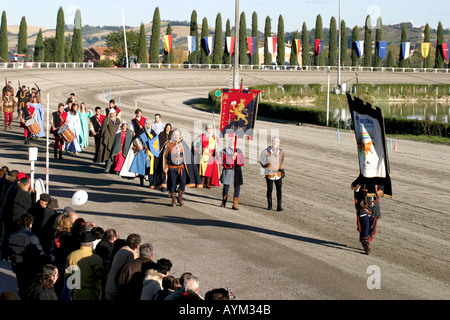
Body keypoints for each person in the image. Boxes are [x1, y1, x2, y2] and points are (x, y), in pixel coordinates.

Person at [8, 213, 54, 298]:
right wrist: (51, 257)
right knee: (28, 290)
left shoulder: (12, 235)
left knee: (21, 287)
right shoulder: (32, 237)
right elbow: (40, 253)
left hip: (17, 266)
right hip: (29, 267)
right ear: (30, 223)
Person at [162, 129, 202, 207]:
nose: (176, 136)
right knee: (173, 184)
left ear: (180, 136)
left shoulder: (183, 144)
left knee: (183, 182)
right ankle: (173, 199)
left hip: (181, 168)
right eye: (174, 135)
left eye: (177, 135)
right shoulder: (168, 144)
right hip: (172, 168)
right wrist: (165, 167)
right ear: (172, 135)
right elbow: (165, 157)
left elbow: (188, 156)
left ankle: (180, 198)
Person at [65, 231, 105, 300]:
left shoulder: (71, 255)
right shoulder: (96, 258)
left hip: (76, 292)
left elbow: (68, 274)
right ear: (91, 244)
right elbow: (101, 276)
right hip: (92, 293)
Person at [352, 177, 385, 255]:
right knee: (365, 225)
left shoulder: (378, 181)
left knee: (371, 228)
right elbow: (355, 187)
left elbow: (382, 191)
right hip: (364, 206)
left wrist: (378, 192)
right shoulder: (361, 179)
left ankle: (365, 237)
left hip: (374, 207)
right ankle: (366, 244)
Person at [104, 233, 141, 300]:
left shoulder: (121, 250)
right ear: (138, 246)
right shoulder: (131, 254)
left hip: (109, 288)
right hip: (116, 292)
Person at [260, 137, 285, 211]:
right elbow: (261, 161)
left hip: (278, 173)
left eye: (276, 141)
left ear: (279, 143)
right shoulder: (266, 151)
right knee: (269, 190)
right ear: (272, 142)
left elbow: (282, 160)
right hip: (269, 173)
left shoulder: (281, 151)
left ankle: (279, 206)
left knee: (279, 190)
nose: (275, 143)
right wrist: (266, 166)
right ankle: (269, 205)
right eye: (274, 141)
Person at [220, 138, 245, 210]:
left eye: (233, 142)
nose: (232, 143)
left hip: (237, 170)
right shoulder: (224, 151)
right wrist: (231, 158)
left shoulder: (239, 150)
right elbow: (223, 161)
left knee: (237, 187)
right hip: (228, 170)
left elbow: (242, 161)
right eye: (231, 142)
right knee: (226, 187)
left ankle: (235, 204)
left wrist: (238, 156)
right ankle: (224, 201)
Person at [193, 123, 220, 189]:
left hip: (210, 156)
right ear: (206, 129)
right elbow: (194, 142)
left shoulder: (214, 137)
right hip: (203, 155)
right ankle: (202, 182)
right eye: (208, 129)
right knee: (203, 169)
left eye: (210, 129)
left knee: (209, 170)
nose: (209, 130)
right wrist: (194, 147)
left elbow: (218, 147)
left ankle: (208, 183)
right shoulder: (202, 136)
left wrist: (217, 151)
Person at [155, 123, 172, 192]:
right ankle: (162, 185)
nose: (168, 129)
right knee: (162, 169)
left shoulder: (172, 135)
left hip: (170, 155)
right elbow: (158, 143)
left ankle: (169, 185)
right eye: (167, 128)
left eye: (169, 128)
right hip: (162, 154)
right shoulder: (162, 134)